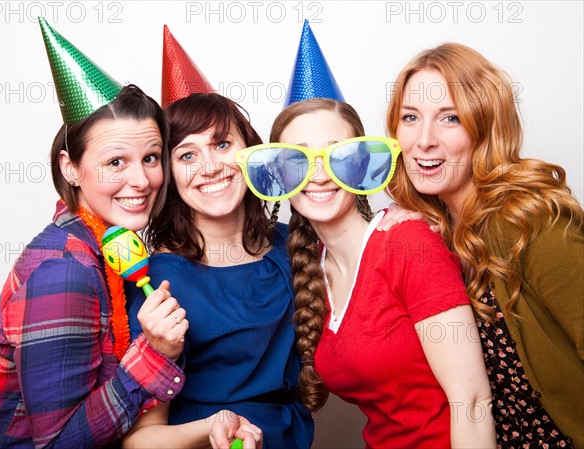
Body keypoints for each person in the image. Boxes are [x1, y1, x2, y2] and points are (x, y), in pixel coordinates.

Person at [237, 96, 496, 449]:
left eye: (337, 155)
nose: (320, 173)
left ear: (360, 165)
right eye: (298, 160)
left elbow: (473, 401)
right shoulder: (310, 269)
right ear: (280, 175)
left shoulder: (407, 243)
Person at [0, 19, 188, 448]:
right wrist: (154, 355)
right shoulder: (64, 272)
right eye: (116, 162)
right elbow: (58, 445)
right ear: (70, 168)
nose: (142, 180)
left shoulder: (103, 246)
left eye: (151, 157)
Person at [385, 42, 583, 448]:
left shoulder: (529, 219)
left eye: (450, 118)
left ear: (484, 127)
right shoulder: (431, 231)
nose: (424, 140)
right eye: (410, 117)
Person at [122, 26, 313, 449]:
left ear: (250, 149)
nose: (210, 167)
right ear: (168, 175)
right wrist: (213, 427)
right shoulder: (155, 282)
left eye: (222, 144)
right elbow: (140, 440)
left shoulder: (295, 244)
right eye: (187, 155)